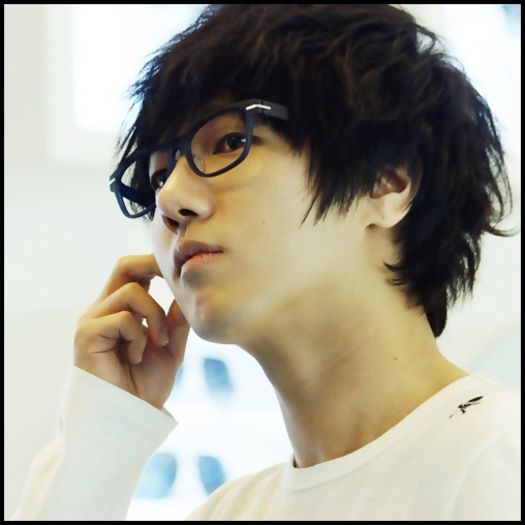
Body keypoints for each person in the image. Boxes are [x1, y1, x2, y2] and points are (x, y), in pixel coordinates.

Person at [12, 4, 520, 521]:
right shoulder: (228, 512)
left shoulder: (498, 459)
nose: (170, 199)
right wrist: (100, 440)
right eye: (159, 176)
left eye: (230, 142)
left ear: (387, 183)